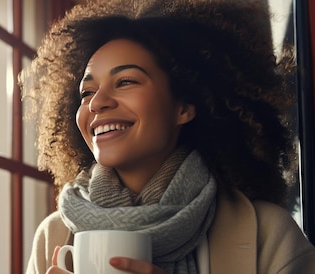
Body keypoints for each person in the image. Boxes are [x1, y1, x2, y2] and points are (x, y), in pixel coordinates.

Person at [19, 0, 315, 273]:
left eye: (125, 81)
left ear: (184, 107)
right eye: (87, 92)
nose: (96, 103)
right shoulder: (53, 236)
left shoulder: (271, 237)